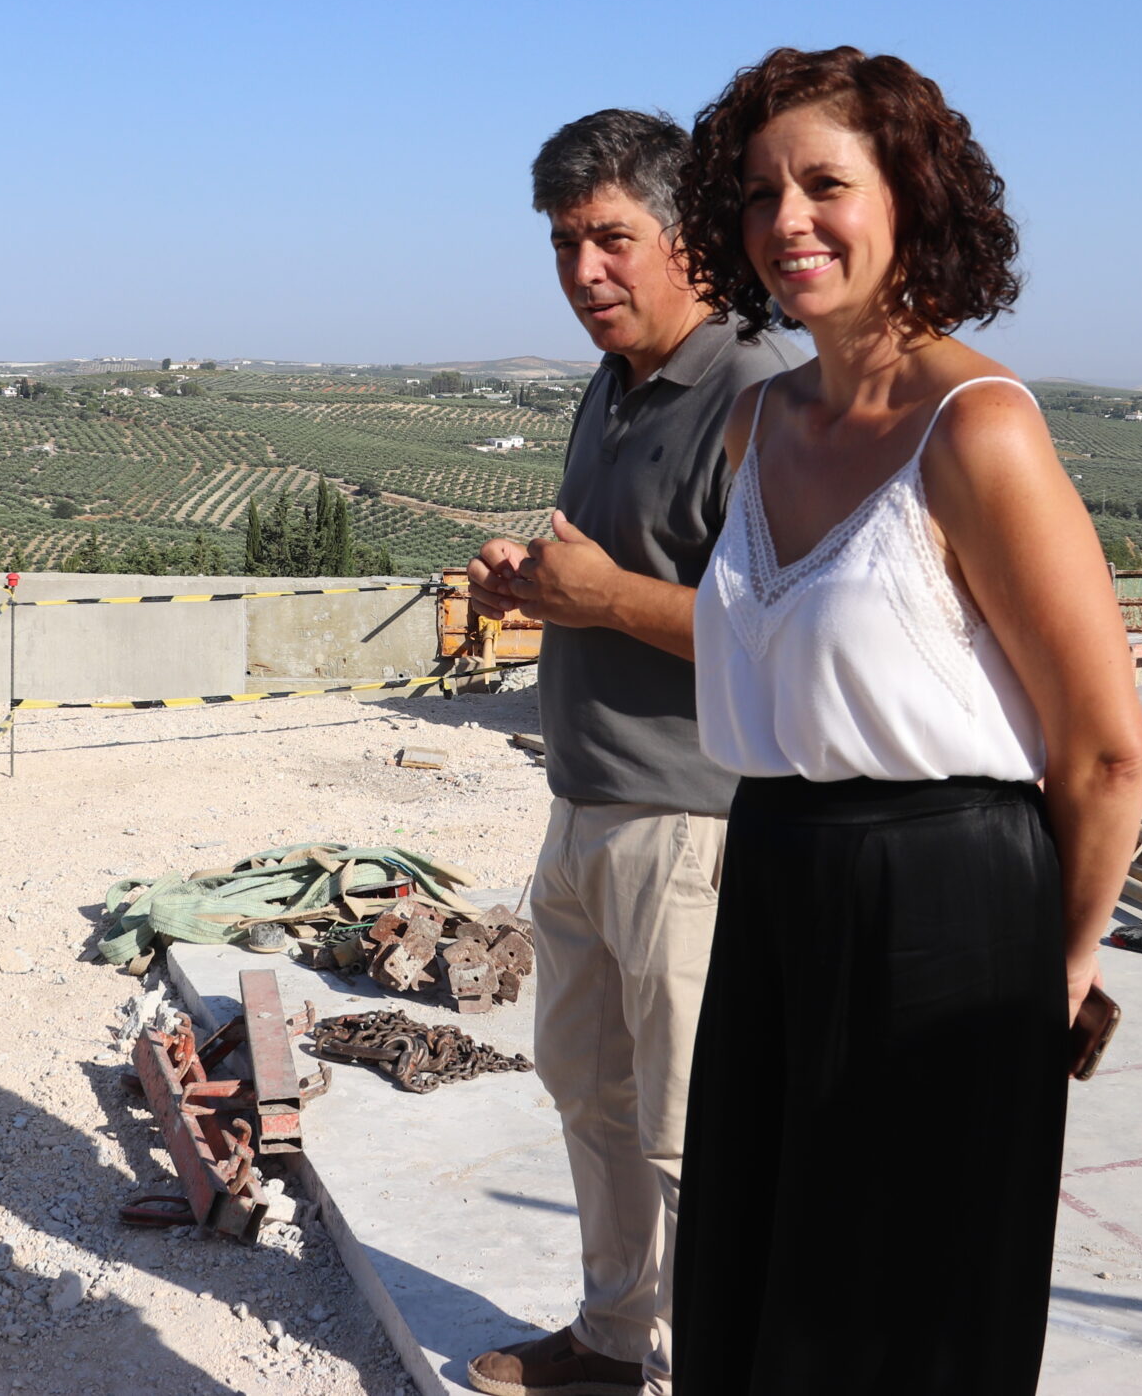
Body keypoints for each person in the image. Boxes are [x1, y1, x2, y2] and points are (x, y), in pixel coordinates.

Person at [668, 47, 1142, 1394]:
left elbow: (1107, 743)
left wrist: (1058, 962)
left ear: (911, 198)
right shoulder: (757, 423)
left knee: (895, 1313)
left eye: (827, 182)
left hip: (945, 903)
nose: (788, 222)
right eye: (760, 193)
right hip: (776, 876)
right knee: (758, 1275)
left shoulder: (977, 427)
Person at [462, 110, 800, 1396]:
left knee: (687, 1138)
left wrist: (600, 599)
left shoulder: (757, 396)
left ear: (691, 246)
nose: (585, 271)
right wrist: (538, 590)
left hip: (695, 827)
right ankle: (613, 1345)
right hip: (585, 805)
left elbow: (784, 645)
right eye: (565, 244)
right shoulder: (612, 387)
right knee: (591, 1100)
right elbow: (619, 580)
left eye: (613, 239)